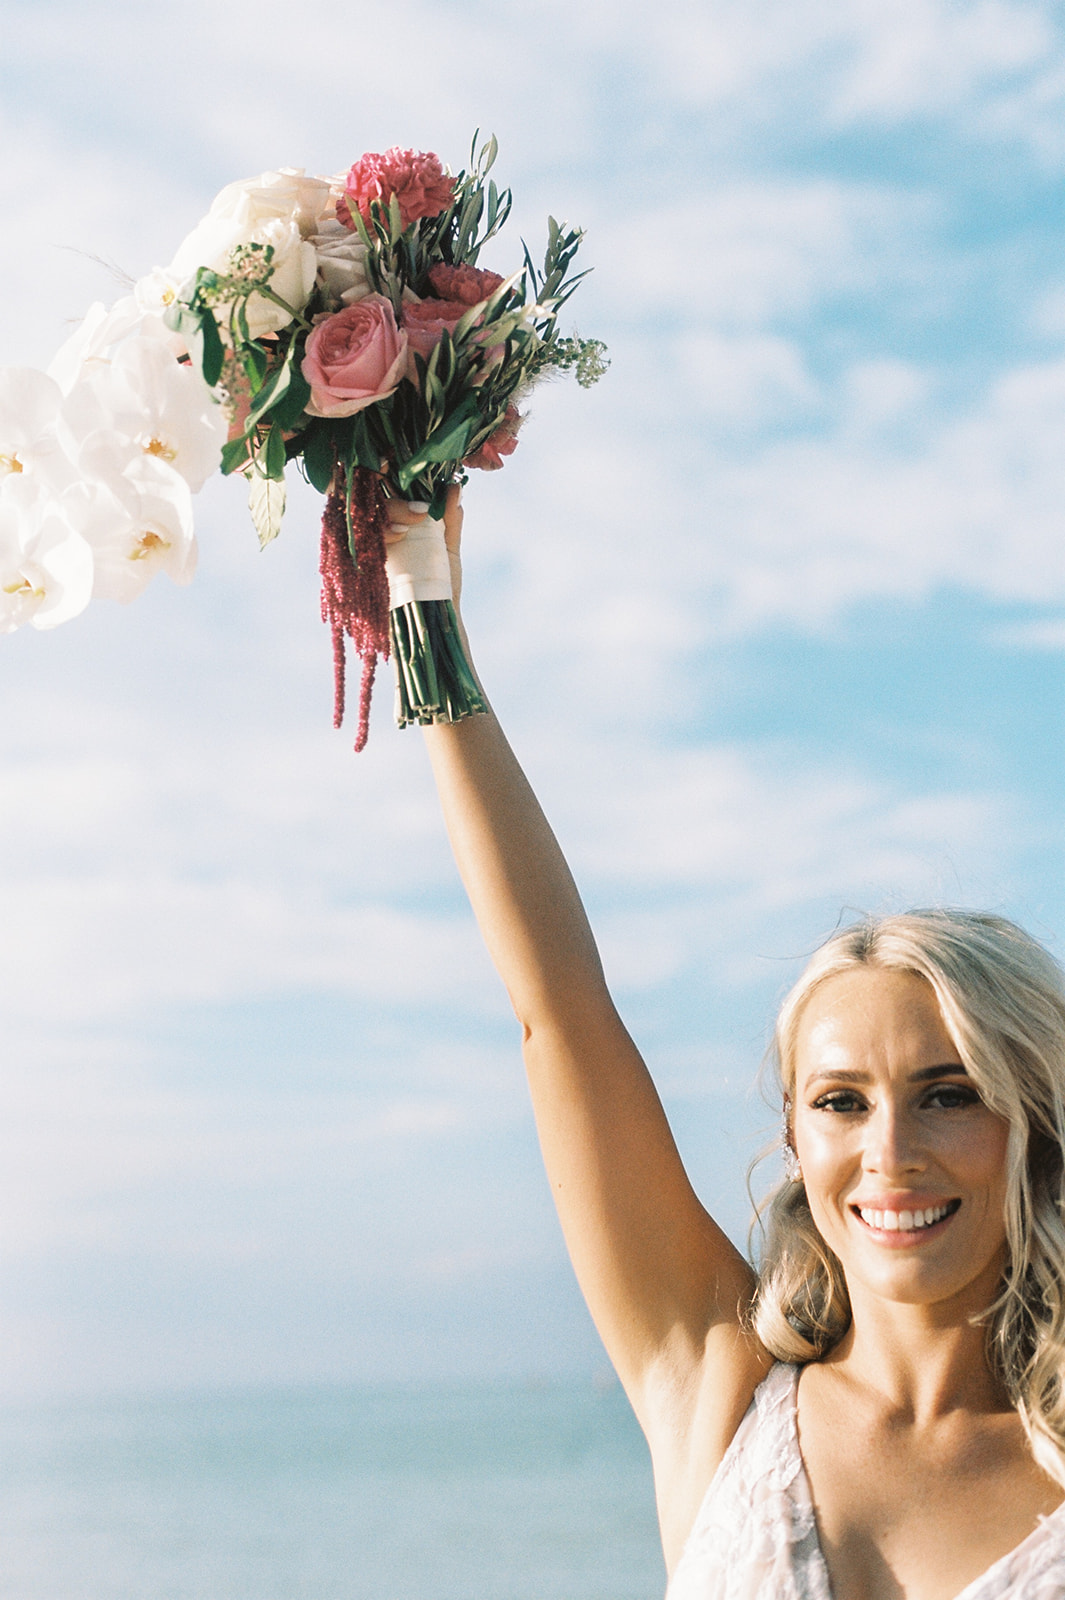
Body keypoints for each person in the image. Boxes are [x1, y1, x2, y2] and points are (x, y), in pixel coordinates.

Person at [384, 487, 1065, 1600]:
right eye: (843, 1100)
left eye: (948, 1092)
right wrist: (423, 604)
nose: (889, 1150)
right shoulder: (718, 1381)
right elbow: (560, 1010)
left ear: (1031, 1120)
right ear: (795, 1134)